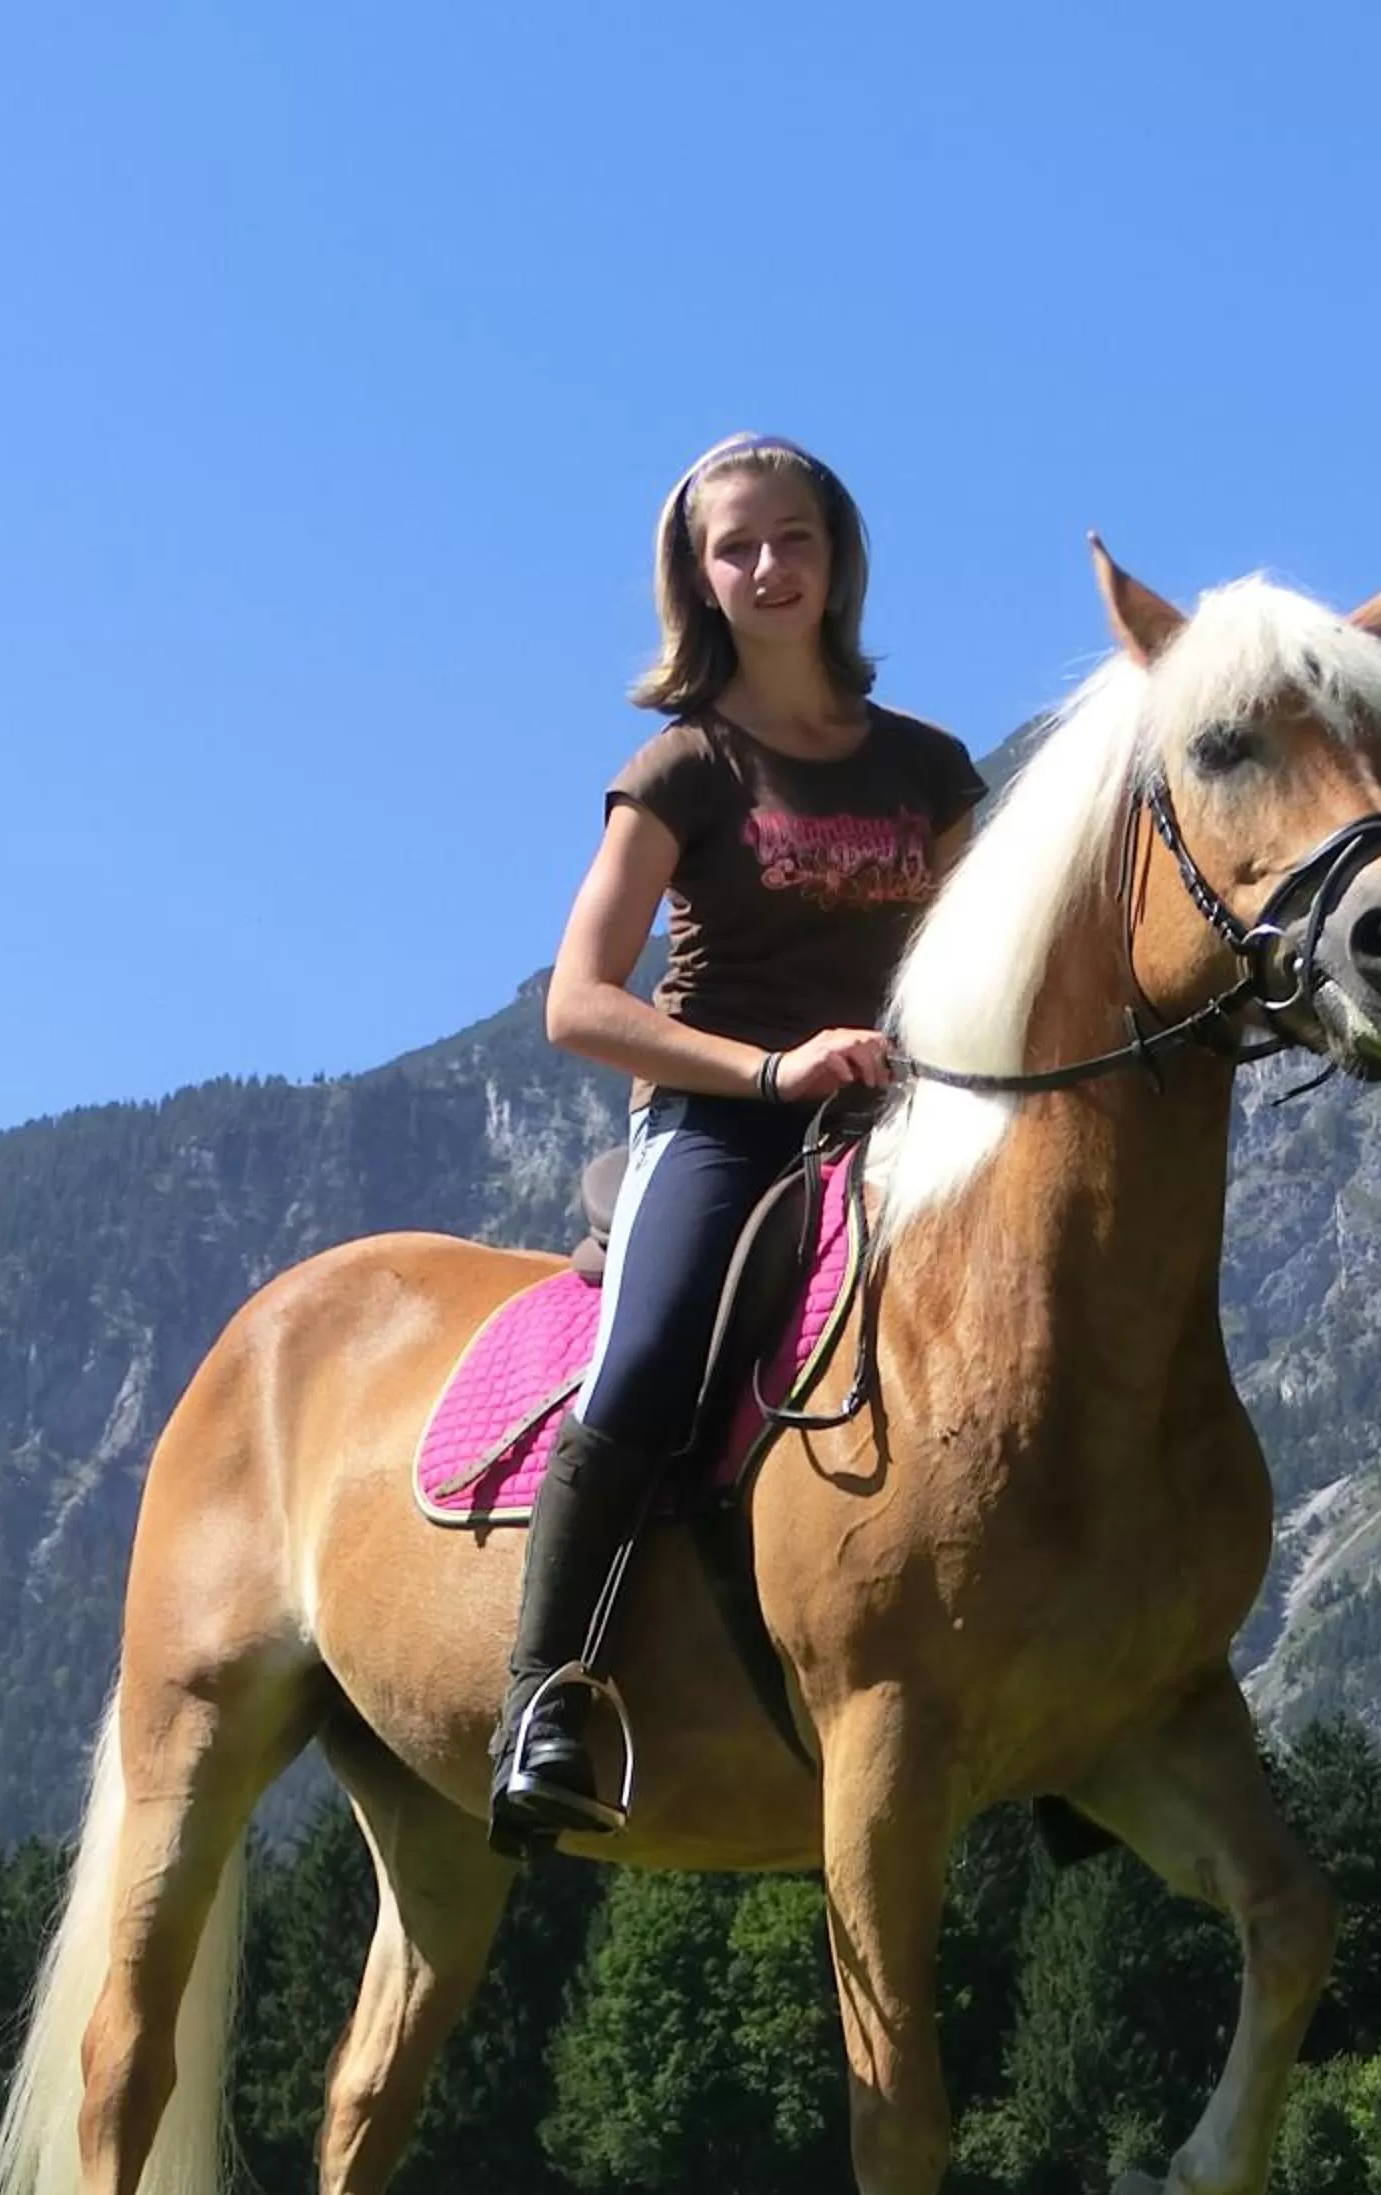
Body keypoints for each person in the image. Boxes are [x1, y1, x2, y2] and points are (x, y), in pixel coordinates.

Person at [488, 432, 985, 1849]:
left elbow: (978, 966)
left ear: (838, 560)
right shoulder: (684, 768)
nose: (769, 567)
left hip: (903, 1120)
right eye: (737, 547)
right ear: (697, 580)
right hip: (722, 1120)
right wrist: (773, 1070)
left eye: (794, 540)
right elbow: (579, 1004)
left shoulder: (931, 767)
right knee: (646, 1360)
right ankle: (546, 1698)